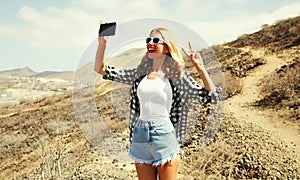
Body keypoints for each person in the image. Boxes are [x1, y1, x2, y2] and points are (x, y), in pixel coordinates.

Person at [94, 24, 220, 180]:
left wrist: (200, 68)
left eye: (155, 40)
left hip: (164, 134)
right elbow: (101, 69)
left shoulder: (177, 76)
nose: (150, 43)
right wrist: (102, 44)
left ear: (167, 47)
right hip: (139, 135)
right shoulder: (139, 74)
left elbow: (212, 96)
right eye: (148, 39)